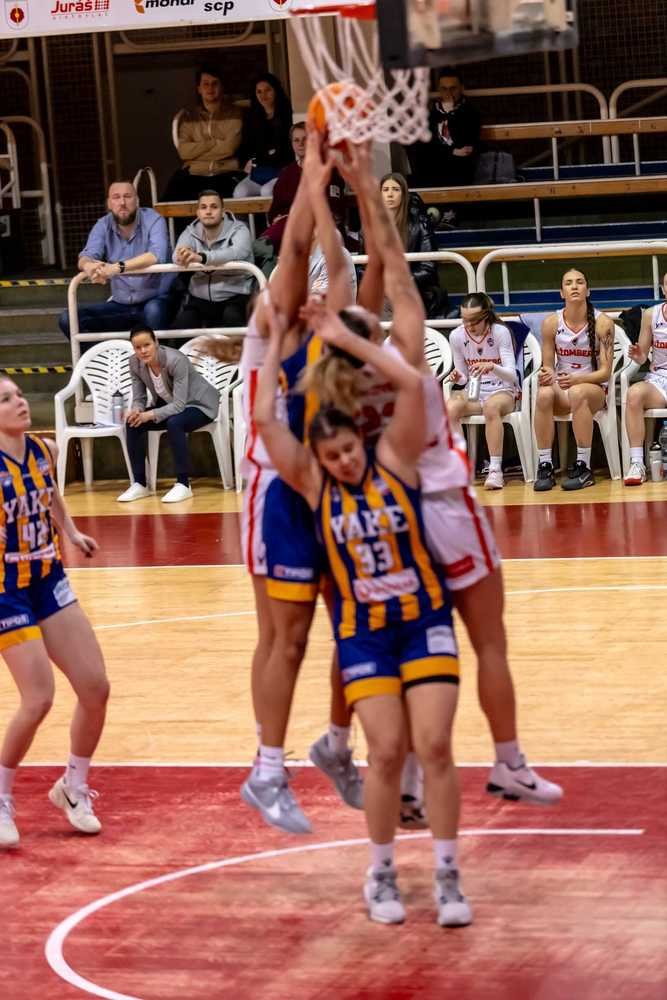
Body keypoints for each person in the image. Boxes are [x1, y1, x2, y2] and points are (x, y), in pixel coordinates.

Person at [306, 141, 562, 818]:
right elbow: (392, 271)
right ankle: (508, 762)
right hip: (444, 506)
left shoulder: (332, 392)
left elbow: (355, 281)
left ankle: (403, 783)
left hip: (390, 521)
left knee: (406, 652)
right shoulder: (405, 367)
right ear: (368, 335)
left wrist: (332, 192)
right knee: (487, 643)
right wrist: (368, 190)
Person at [255, 297, 472, 928]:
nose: (345, 461)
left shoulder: (394, 459)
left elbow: (413, 382)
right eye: (334, 456)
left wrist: (340, 335)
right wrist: (274, 341)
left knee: (434, 746)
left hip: (424, 620)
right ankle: (380, 874)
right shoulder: (314, 484)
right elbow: (265, 416)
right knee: (386, 750)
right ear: (319, 462)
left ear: (361, 440)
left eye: (350, 449)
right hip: (365, 634)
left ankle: (448, 874)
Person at [0, 379, 110, 849]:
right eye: (5, 399)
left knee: (95, 687)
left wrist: (71, 531)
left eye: (19, 395)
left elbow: (51, 495)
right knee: (38, 698)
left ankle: (72, 786)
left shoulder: (44, 450)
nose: (19, 402)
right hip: (6, 590)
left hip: (48, 578)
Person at [58, 180, 175, 341]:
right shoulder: (103, 224)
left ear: (137, 201)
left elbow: (156, 255)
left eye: (127, 196)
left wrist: (116, 267)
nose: (122, 203)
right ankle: (102, 357)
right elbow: (86, 255)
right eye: (116, 197)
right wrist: (89, 266)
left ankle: (156, 357)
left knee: (154, 311)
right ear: (109, 203)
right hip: (121, 304)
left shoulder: (153, 219)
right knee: (68, 319)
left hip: (155, 299)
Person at [117, 325, 220, 504]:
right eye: (138, 347)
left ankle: (183, 484)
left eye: (147, 345)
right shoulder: (134, 363)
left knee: (175, 423)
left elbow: (179, 405)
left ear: (156, 342)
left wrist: (150, 414)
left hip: (199, 404)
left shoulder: (175, 360)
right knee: (133, 423)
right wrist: (137, 410)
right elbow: (139, 397)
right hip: (169, 406)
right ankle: (140, 483)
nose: (143, 351)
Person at [534, 269, 615, 491]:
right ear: (562, 293)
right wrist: (546, 374)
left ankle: (584, 467)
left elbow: (605, 372)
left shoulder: (603, 323)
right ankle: (545, 465)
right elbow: (548, 366)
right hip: (563, 388)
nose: (574, 286)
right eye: (568, 283)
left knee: (578, 393)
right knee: (543, 394)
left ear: (587, 290)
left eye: (580, 282)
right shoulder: (551, 323)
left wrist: (577, 380)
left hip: (593, 389)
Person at [349, 172, 447, 320]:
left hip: (413, 289)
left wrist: (401, 282)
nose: (390, 194)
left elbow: (428, 267)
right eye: (386, 190)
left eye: (395, 189)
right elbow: (363, 266)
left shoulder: (420, 224)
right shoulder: (369, 227)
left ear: (404, 195)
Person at [252, 123, 345, 278]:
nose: (300, 144)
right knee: (262, 248)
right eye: (296, 140)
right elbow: (275, 210)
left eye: (305, 139)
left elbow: (334, 209)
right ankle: (267, 287)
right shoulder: (286, 174)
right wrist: (277, 218)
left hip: (320, 226)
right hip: (289, 225)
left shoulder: (328, 170)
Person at [445, 293, 518, 490]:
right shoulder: (456, 336)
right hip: (475, 391)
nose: (469, 326)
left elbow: (512, 375)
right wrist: (457, 377)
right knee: (450, 407)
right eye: (465, 320)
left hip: (503, 390)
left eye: (474, 321)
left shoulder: (500, 332)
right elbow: (464, 376)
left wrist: (492, 366)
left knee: (491, 408)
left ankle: (495, 470)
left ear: (486, 316)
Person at [172, 190, 255, 330]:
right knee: (182, 325)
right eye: (203, 207)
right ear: (198, 213)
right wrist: (182, 256)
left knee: (232, 318)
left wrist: (202, 257)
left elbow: (238, 252)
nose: (208, 211)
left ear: (223, 211)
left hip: (235, 295)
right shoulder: (190, 232)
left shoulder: (240, 229)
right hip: (199, 296)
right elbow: (176, 256)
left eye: (214, 207)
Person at [162, 66, 244, 202]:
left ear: (222, 87)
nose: (210, 88)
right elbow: (184, 152)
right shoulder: (189, 117)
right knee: (171, 196)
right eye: (206, 84)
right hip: (194, 173)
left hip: (226, 172)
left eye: (215, 83)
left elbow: (229, 148)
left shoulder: (234, 113)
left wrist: (196, 152)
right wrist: (213, 143)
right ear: (199, 89)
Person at [624, 271, 667, 485]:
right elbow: (642, 356)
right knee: (634, 394)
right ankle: (637, 463)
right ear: (663, 289)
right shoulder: (651, 314)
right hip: (659, 380)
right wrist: (638, 355)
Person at [408, 67, 480, 190]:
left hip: (458, 171)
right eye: (444, 89)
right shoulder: (431, 114)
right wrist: (451, 151)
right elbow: (423, 149)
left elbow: (465, 147)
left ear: (461, 88)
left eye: (453, 88)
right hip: (432, 170)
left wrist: (449, 113)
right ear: (439, 90)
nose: (448, 93)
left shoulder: (470, 113)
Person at [233, 74, 294, 198]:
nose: (263, 95)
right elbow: (245, 146)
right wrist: (246, 162)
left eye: (268, 90)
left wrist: (266, 155)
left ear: (276, 91)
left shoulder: (288, 115)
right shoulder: (251, 118)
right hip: (260, 172)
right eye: (259, 91)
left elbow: (286, 149)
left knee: (267, 191)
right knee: (240, 192)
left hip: (282, 170)